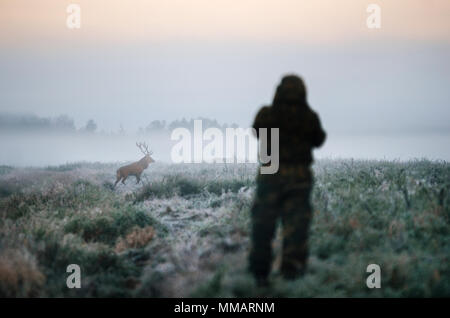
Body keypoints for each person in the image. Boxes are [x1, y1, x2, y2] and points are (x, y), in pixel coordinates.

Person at [249, 74, 326, 285]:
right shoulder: (309, 117)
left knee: (263, 225)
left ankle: (259, 274)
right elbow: (319, 139)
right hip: (299, 177)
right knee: (296, 228)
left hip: (270, 174)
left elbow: (256, 130)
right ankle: (292, 275)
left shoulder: (267, 113)